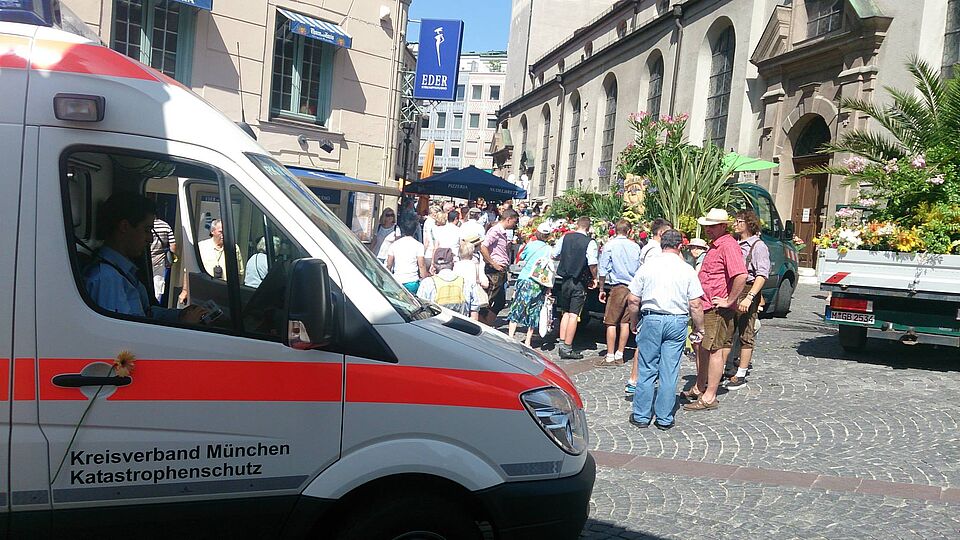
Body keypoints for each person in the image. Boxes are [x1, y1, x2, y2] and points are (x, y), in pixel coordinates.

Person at [625, 230, 705, 430]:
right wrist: (700, 328)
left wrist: (634, 321)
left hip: (651, 318)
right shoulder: (687, 269)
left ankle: (641, 416)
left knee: (647, 368)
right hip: (676, 320)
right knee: (670, 370)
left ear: (662, 244)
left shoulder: (648, 266)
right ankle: (664, 418)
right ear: (680, 246)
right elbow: (696, 304)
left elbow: (633, 299)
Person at [84, 192, 204, 323]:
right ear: (124, 227)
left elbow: (145, 314)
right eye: (146, 230)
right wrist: (185, 326)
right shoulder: (107, 279)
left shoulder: (122, 272)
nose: (150, 239)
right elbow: (123, 332)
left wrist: (179, 316)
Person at [683, 208, 747, 412]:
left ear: (723, 226)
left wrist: (729, 300)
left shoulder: (728, 245)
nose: (708, 229)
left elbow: (741, 275)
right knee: (703, 347)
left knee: (714, 350)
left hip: (716, 309)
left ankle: (709, 396)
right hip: (706, 305)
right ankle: (699, 386)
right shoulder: (716, 244)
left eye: (712, 226)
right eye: (706, 226)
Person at [722, 210, 771, 390]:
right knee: (726, 332)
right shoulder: (733, 243)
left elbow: (762, 274)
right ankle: (723, 369)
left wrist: (750, 298)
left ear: (749, 224)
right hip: (732, 289)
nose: (735, 224)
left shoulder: (758, 246)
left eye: (739, 221)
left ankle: (741, 373)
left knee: (746, 333)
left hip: (747, 290)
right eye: (735, 221)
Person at [625, 218, 672, 393]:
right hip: (651, 299)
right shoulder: (654, 251)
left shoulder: (650, 248)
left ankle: (639, 378)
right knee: (644, 344)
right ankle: (635, 379)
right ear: (661, 233)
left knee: (647, 343)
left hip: (649, 298)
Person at [596, 219, 642, 367]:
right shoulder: (636, 247)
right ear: (629, 231)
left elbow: (603, 269)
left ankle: (610, 356)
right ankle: (620, 354)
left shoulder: (610, 245)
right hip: (632, 287)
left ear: (615, 230)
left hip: (618, 287)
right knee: (625, 322)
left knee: (610, 322)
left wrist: (601, 288)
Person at [552, 216, 599, 359]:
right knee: (574, 314)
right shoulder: (590, 242)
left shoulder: (565, 237)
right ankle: (567, 347)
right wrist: (595, 277)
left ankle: (562, 343)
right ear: (588, 228)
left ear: (577, 225)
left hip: (565, 280)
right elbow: (592, 263)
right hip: (579, 281)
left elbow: (554, 254)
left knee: (565, 312)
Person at [507, 223, 552, 347]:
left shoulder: (531, 245)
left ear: (537, 233)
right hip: (538, 282)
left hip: (525, 278)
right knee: (534, 310)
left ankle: (510, 336)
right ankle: (528, 340)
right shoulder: (549, 249)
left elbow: (522, 257)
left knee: (517, 307)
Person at [479, 208, 519, 326]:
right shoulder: (495, 231)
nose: (515, 225)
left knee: (500, 301)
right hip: (494, 270)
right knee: (489, 299)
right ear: (508, 219)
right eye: (514, 222)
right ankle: (481, 323)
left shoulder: (502, 232)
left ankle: (488, 323)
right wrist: (493, 263)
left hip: (501, 269)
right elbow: (483, 246)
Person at [416, 247, 480, 318]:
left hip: (436, 324)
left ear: (434, 266)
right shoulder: (467, 283)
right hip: (461, 324)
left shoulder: (427, 284)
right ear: (453, 263)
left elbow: (420, 311)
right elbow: (474, 314)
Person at [387, 213, 428, 293]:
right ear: (415, 230)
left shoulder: (394, 245)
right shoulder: (419, 245)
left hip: (397, 280)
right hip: (412, 281)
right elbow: (421, 265)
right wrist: (424, 279)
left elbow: (389, 264)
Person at [453, 237, 488, 320]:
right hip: (471, 296)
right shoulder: (476, 266)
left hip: (457, 295)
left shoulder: (454, 265)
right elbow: (485, 284)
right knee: (473, 318)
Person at [149, 217, 176, 302]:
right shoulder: (165, 225)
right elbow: (173, 246)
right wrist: (171, 259)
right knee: (158, 287)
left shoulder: (144, 223)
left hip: (145, 261)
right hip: (159, 261)